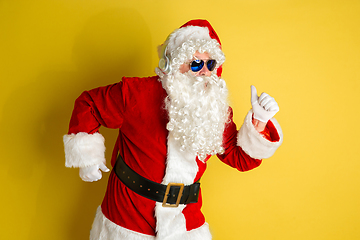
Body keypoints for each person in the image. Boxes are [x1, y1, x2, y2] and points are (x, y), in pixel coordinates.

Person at [63, 19, 283, 240]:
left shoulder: (215, 109)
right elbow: (89, 104)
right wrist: (87, 157)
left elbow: (239, 159)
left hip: (184, 224)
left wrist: (259, 122)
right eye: (196, 64)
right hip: (128, 219)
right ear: (174, 64)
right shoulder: (137, 93)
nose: (204, 72)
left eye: (210, 64)